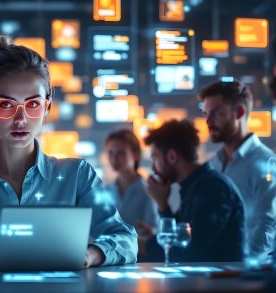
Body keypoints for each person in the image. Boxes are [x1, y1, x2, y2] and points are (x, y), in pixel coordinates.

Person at [0, 34, 137, 267]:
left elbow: (126, 239)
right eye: (6, 105)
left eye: (32, 104)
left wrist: (90, 255)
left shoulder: (79, 176)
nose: (20, 119)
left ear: (47, 107)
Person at [137, 120, 244, 262]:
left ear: (172, 157)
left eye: (155, 158)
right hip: (201, 279)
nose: (154, 168)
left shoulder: (212, 188)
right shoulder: (195, 187)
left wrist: (142, 245)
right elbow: (180, 240)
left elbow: (189, 252)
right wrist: (163, 205)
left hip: (221, 282)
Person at [200, 80, 276, 262]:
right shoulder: (212, 164)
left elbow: (267, 227)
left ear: (239, 112)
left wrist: (241, 266)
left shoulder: (267, 163)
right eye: (205, 114)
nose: (208, 121)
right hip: (214, 270)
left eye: (216, 113)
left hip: (249, 276)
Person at [104, 129, 158, 228]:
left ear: (135, 155)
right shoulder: (107, 190)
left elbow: (152, 229)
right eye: (111, 152)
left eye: (121, 153)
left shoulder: (147, 190)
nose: (114, 158)